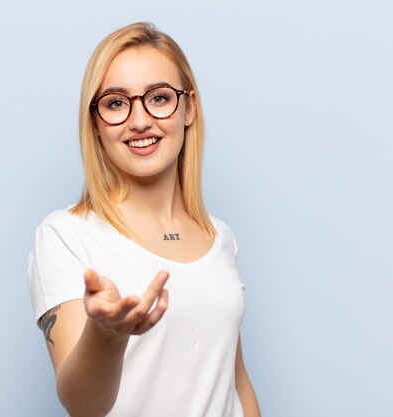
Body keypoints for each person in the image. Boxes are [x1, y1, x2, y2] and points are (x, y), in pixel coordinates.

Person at [28, 22, 261, 417]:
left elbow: (235, 382)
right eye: (116, 103)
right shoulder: (66, 236)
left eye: (159, 97)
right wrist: (107, 335)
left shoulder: (220, 236)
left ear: (189, 108)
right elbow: (83, 406)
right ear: (96, 125)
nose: (139, 121)